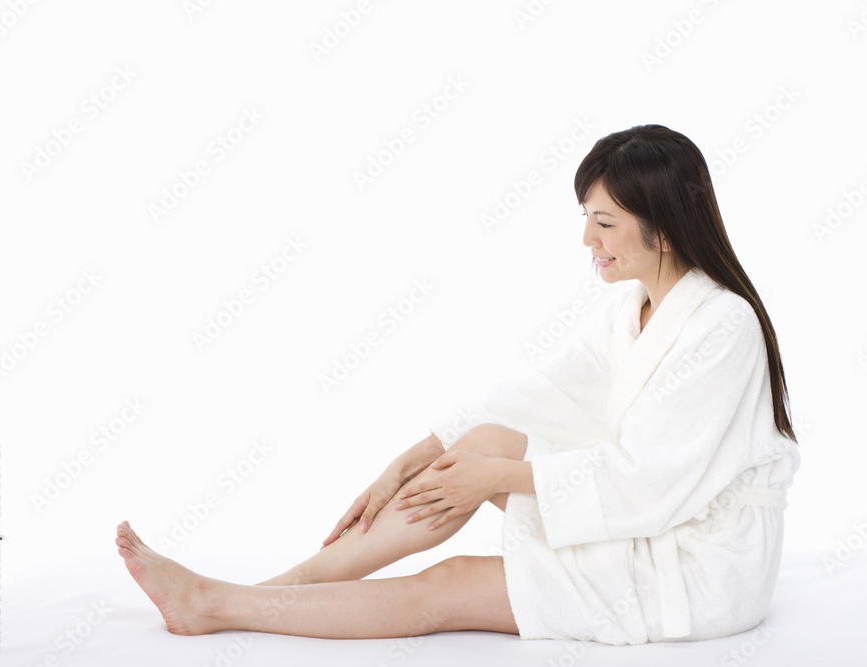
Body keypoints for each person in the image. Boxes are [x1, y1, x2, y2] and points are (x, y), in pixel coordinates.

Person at [116, 124, 800, 645]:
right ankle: (280, 587)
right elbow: (543, 395)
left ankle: (217, 604)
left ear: (665, 232)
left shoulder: (723, 326)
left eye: (605, 223)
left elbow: (648, 481)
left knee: (447, 584)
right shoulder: (633, 311)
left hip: (696, 563)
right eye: (586, 218)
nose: (587, 241)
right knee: (484, 439)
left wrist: (489, 478)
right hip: (648, 515)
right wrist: (411, 458)